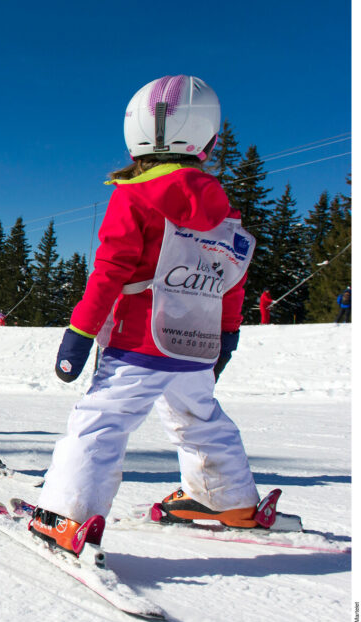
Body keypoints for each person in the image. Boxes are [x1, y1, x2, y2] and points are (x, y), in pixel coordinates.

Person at [31, 75, 264, 557]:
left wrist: (80, 331)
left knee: (100, 424)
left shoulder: (134, 196)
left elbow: (109, 272)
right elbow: (232, 280)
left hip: (139, 343)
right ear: (210, 140)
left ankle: (64, 518)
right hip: (197, 345)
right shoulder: (228, 217)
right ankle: (227, 500)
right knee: (201, 419)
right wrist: (227, 336)